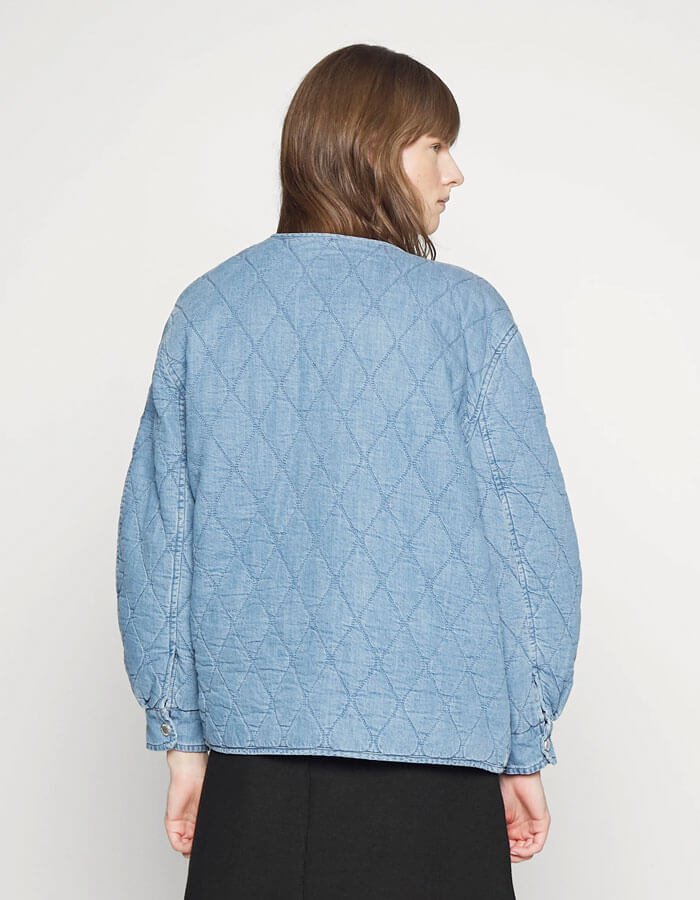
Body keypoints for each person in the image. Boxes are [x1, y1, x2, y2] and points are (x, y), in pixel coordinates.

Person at [115, 43, 583, 899]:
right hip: (439, 768)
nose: (455, 172)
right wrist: (526, 742)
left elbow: (162, 540)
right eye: (435, 145)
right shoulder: (466, 315)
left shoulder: (207, 309)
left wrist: (182, 738)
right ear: (373, 148)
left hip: (252, 770)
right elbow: (526, 549)